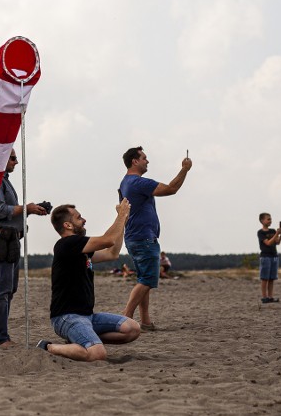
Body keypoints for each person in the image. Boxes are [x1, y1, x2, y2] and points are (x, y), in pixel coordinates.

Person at [37, 200, 140, 361]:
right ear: (68, 225)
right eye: (79, 218)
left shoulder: (80, 250)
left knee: (132, 329)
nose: (84, 220)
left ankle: (82, 340)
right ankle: (48, 347)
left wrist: (123, 221)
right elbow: (108, 239)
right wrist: (120, 215)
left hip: (87, 316)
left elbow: (111, 253)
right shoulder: (67, 244)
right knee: (97, 354)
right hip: (67, 317)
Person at [119, 147, 192, 330]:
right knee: (147, 280)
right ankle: (124, 318)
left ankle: (145, 321)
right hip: (143, 238)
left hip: (135, 237)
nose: (147, 161)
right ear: (134, 161)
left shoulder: (125, 183)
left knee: (145, 279)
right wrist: (184, 169)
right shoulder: (137, 182)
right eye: (144, 158)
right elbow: (171, 189)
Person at [0, 149, 49, 348]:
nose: (16, 162)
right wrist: (26, 208)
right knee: (1, 289)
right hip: (1, 238)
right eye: (12, 158)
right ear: (2, 158)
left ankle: (2, 336)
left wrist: (32, 209)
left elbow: (10, 212)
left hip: (10, 238)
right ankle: (0, 338)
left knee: (9, 289)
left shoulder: (4, 181)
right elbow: (0, 211)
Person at [258, 213, 281, 304]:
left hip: (274, 256)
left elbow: (277, 242)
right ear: (262, 221)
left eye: (271, 219)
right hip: (265, 256)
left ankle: (270, 297)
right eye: (268, 219)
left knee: (272, 278)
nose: (270, 221)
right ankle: (264, 297)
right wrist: (277, 233)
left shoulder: (273, 230)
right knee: (264, 278)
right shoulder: (260, 232)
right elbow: (268, 243)